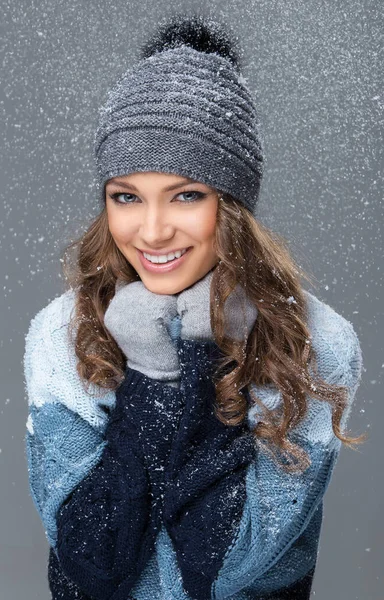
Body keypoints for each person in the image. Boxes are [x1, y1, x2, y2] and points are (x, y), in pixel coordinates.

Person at [23, 13, 366, 600]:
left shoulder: (317, 341)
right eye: (127, 196)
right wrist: (154, 377)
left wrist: (197, 356)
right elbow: (92, 562)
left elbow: (230, 563)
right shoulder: (63, 331)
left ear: (231, 204)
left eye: (186, 195)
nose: (152, 231)